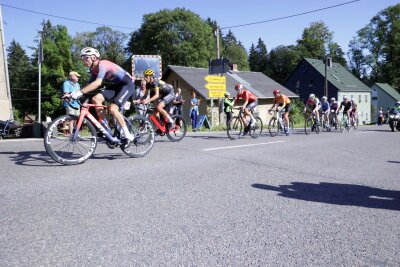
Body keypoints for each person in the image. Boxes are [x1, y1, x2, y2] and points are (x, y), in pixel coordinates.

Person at [69, 47, 135, 141]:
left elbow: (97, 83)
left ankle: (127, 134)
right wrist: (73, 93)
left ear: (94, 57)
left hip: (127, 85)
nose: (84, 62)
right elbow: (88, 85)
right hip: (116, 87)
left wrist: (79, 92)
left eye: (86, 58)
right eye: (83, 59)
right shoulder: (94, 70)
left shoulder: (103, 64)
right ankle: (106, 128)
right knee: (96, 99)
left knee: (113, 108)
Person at [61, 71, 81, 135]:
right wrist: (71, 95)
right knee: (71, 119)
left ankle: (75, 133)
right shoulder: (66, 83)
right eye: (77, 76)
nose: (78, 77)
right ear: (72, 76)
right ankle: (72, 134)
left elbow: (79, 93)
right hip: (70, 104)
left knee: (76, 119)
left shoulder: (77, 84)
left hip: (77, 104)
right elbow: (66, 94)